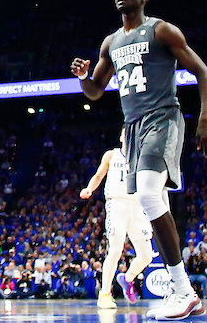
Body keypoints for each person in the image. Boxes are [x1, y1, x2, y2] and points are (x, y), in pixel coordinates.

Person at [71, 0, 207, 321]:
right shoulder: (111, 42)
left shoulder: (161, 30)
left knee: (150, 195)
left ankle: (184, 292)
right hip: (133, 127)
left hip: (162, 118)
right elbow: (95, 91)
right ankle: (183, 294)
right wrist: (83, 78)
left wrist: (205, 120)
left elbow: (203, 73)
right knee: (151, 199)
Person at [80, 132, 156, 308]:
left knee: (146, 256)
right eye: (125, 133)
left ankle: (127, 279)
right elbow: (99, 175)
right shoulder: (111, 155)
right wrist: (89, 189)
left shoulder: (142, 156)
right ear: (121, 137)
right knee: (115, 250)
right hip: (117, 204)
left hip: (137, 205)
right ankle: (105, 294)